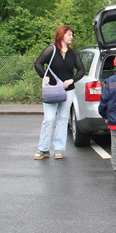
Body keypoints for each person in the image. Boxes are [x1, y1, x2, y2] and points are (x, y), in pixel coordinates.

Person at [33, 25, 85, 160]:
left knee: (62, 119)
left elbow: (81, 71)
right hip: (52, 90)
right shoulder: (51, 49)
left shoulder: (73, 54)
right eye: (69, 34)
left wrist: (71, 81)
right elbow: (38, 63)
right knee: (49, 119)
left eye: (72, 35)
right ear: (61, 35)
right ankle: (43, 149)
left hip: (68, 91)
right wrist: (44, 75)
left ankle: (59, 149)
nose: (71, 37)